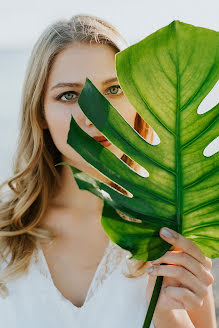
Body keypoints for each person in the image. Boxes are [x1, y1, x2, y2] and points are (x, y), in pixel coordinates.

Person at [0, 14, 216, 328]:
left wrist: (169, 315)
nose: (94, 113)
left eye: (113, 89)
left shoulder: (174, 232)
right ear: (40, 114)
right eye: (69, 95)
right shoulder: (6, 234)